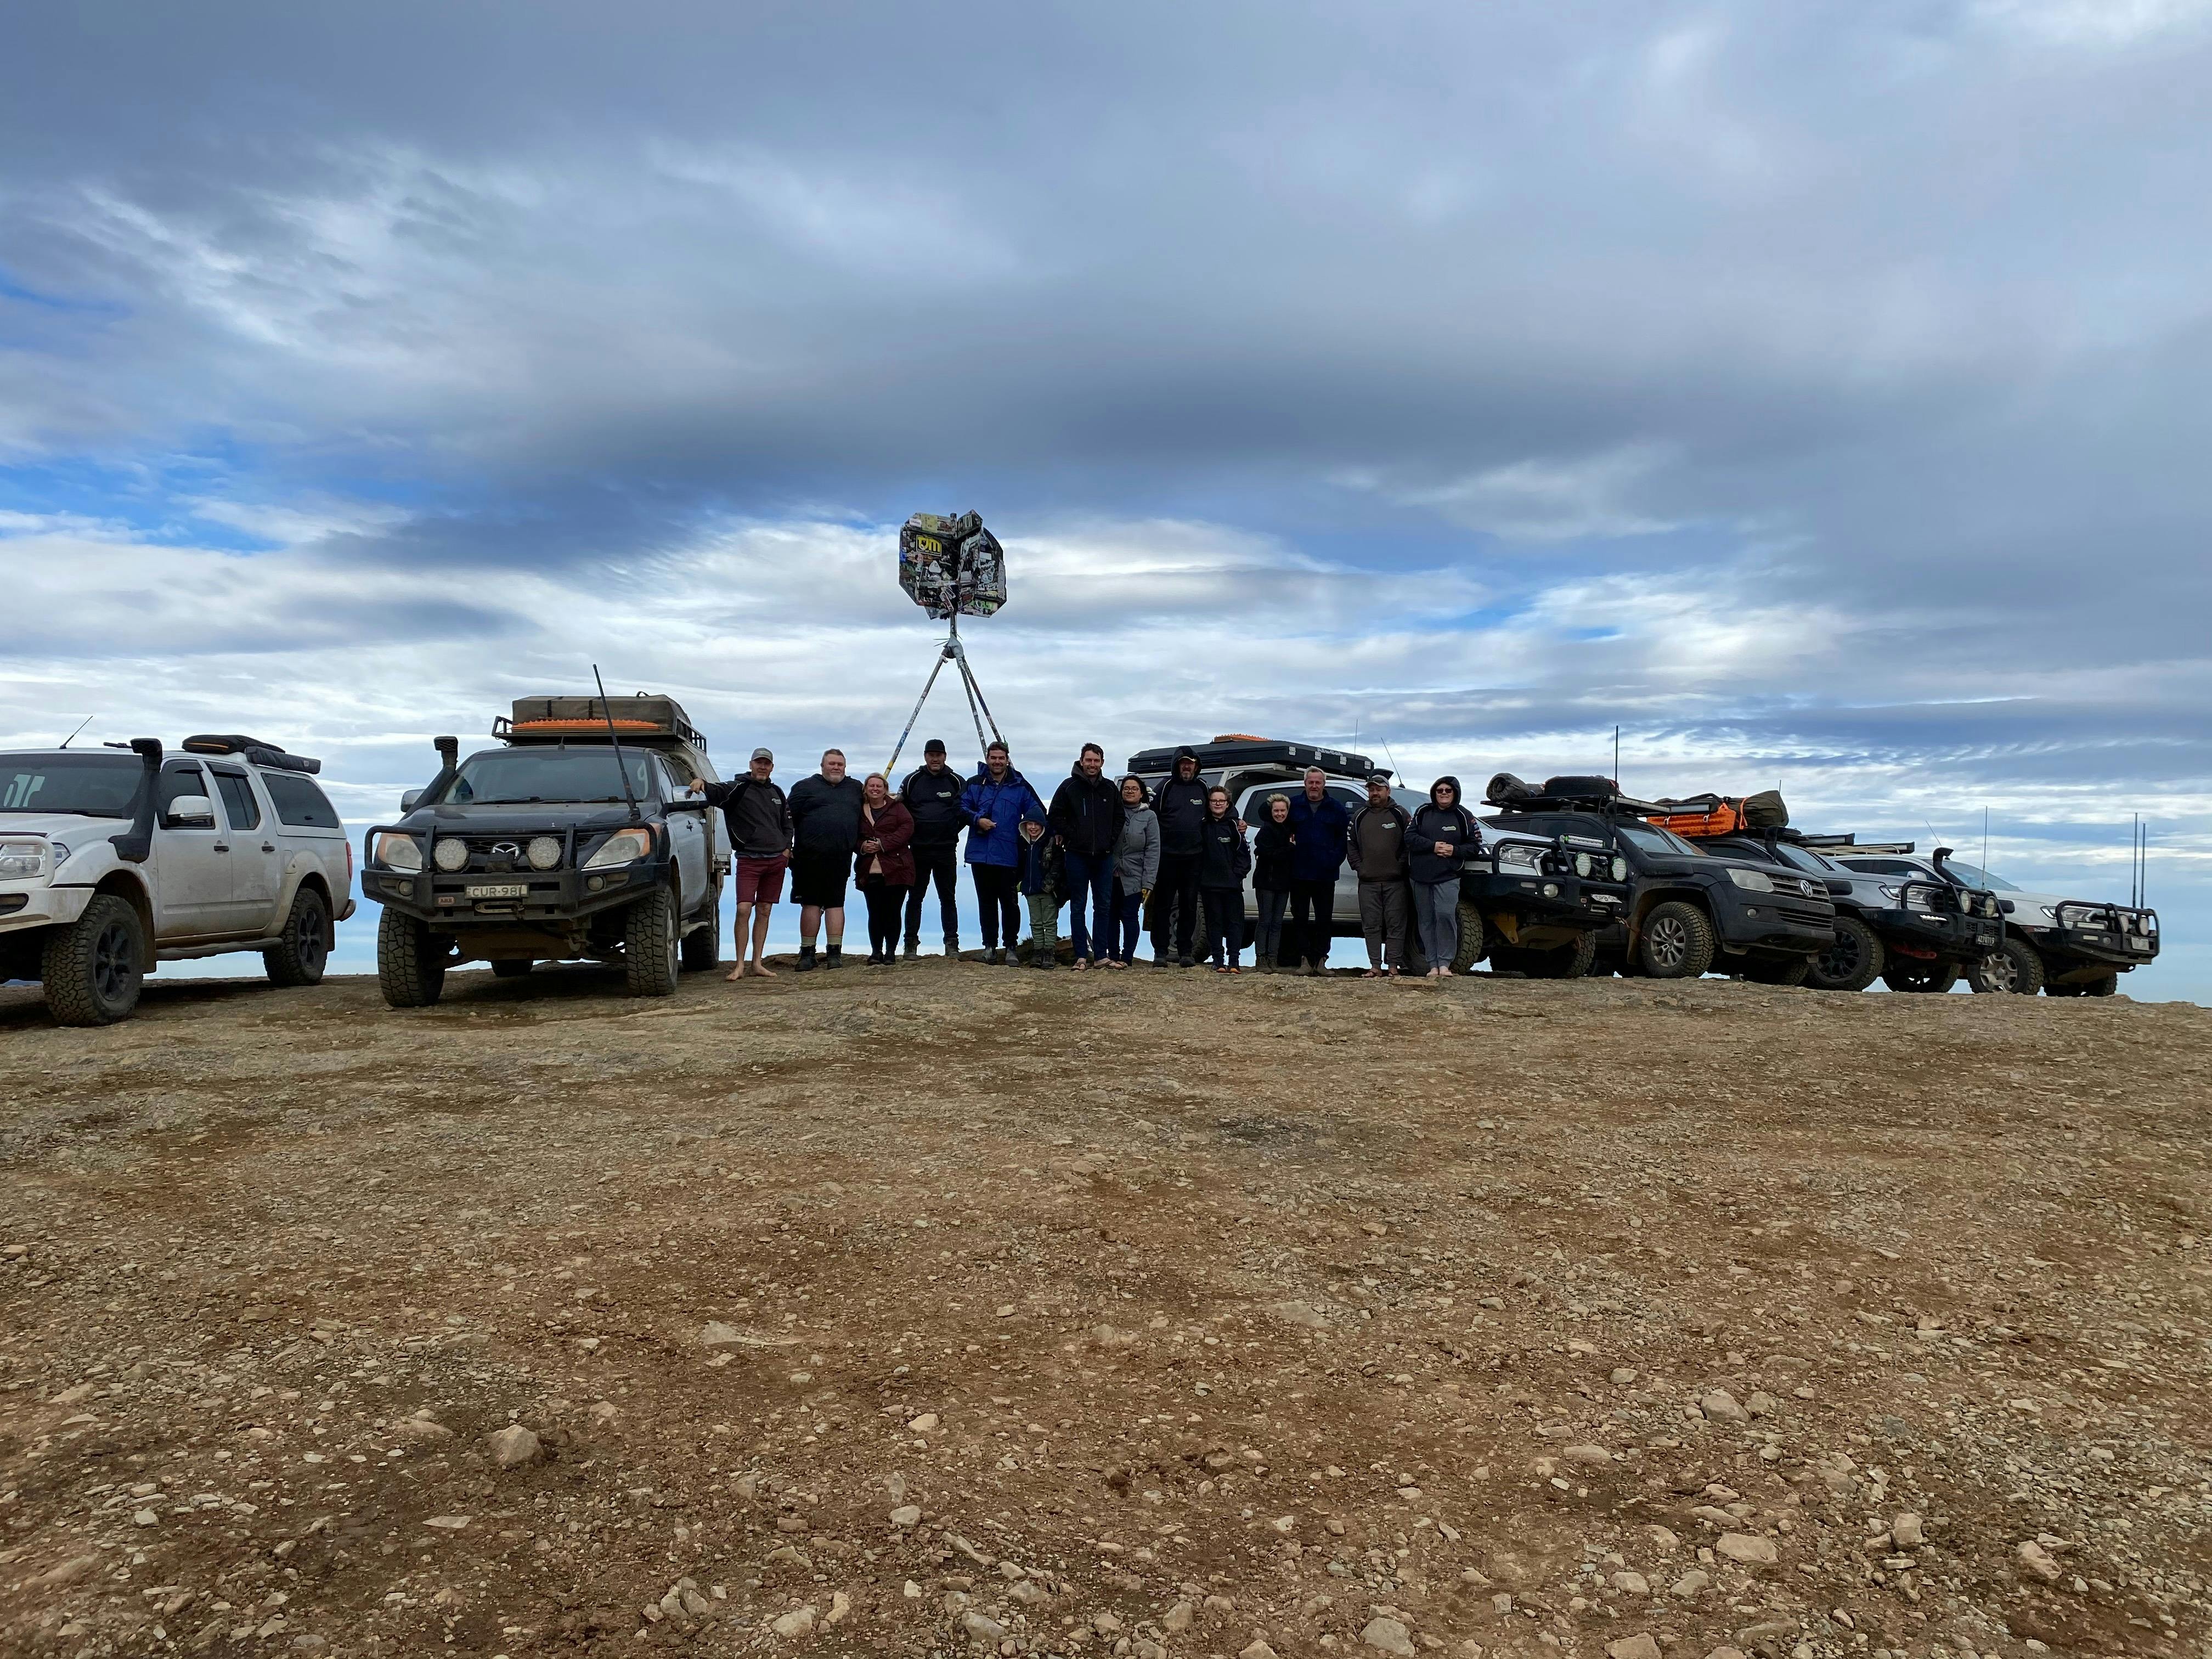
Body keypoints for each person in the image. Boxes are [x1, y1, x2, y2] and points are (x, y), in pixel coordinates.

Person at [687, 746, 791, 980]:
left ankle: (757, 963)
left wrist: (787, 849)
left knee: (765, 910)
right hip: (749, 859)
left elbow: (788, 823)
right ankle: (739, 966)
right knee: (744, 909)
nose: (762, 767)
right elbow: (715, 790)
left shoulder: (777, 792)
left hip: (776, 860)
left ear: (772, 767)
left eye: (767, 763)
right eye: (759, 763)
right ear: (751, 764)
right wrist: (699, 781)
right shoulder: (737, 788)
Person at [960, 741, 1046, 966]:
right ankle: (989, 947)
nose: (997, 762)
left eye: (1001, 758)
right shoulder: (975, 784)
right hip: (980, 853)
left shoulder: (1020, 786)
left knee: (1009, 903)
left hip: (1009, 854)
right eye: (993, 758)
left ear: (1007, 759)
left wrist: (1027, 834)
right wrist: (978, 819)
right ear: (987, 759)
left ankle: (1011, 947)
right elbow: (960, 809)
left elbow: (1038, 811)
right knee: (986, 902)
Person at [787, 748, 866, 971]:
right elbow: (786, 818)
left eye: (840, 764)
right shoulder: (805, 787)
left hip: (841, 856)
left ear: (845, 767)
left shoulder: (855, 788)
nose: (836, 768)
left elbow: (875, 804)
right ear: (822, 766)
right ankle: (807, 953)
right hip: (808, 857)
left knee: (835, 903)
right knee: (810, 903)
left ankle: (834, 953)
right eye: (832, 763)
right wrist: (785, 846)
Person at [1047, 742, 1125, 969]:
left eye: (1096, 761)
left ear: (1102, 763)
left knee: (1104, 906)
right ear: (1081, 761)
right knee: (1078, 905)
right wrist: (1072, 836)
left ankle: (1101, 956)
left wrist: (1109, 841)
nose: (1092, 764)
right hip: (1076, 855)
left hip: (1103, 856)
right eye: (1088, 760)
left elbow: (1119, 818)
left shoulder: (1110, 789)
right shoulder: (1068, 786)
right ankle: (1081, 956)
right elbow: (1055, 816)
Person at [899, 738, 965, 960]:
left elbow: (966, 810)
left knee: (948, 897)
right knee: (915, 896)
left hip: (946, 849)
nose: (935, 759)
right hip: (918, 849)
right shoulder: (912, 781)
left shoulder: (956, 781)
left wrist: (953, 829)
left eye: (939, 755)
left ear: (945, 756)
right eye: (931, 755)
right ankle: (910, 944)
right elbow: (899, 810)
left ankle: (952, 943)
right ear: (925, 756)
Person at [1409, 776, 1480, 978]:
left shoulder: (1463, 816)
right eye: (1439, 790)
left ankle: (1445, 964)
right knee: (1426, 919)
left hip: (1449, 875)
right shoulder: (1423, 812)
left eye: (1448, 790)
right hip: (1420, 876)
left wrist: (1454, 850)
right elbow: (1409, 837)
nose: (1443, 794)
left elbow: (1475, 845)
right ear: (1434, 793)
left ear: (1455, 792)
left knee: (1445, 915)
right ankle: (1432, 964)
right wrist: (1433, 846)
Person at [1148, 746, 1211, 968]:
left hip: (1194, 858)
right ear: (1177, 764)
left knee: (1190, 905)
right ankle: (1160, 952)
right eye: (1184, 763)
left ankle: (1186, 952)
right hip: (1167, 857)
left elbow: (1217, 812)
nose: (1187, 767)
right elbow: (1150, 818)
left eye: (1191, 763)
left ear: (1196, 766)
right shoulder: (1165, 787)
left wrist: (1237, 822)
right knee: (1163, 905)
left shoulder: (1203, 788)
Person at [1348, 771, 1414, 978]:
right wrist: (1360, 867)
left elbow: (1410, 843)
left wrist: (1400, 866)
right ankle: (1375, 966)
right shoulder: (1359, 816)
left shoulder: (1400, 814)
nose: (1375, 793)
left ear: (1388, 791)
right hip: (1368, 881)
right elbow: (1350, 845)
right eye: (1372, 789)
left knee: (1396, 925)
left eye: (1379, 789)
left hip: (1395, 881)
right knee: (1371, 926)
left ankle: (1393, 965)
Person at [1285, 768, 1350, 976]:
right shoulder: (1293, 804)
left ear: (1324, 784)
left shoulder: (1336, 808)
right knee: (1300, 917)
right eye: (1311, 782)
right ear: (1304, 784)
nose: (1314, 786)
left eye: (1318, 782)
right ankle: (1304, 959)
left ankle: (1321, 960)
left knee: (1324, 918)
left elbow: (1343, 840)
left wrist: (1333, 861)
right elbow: (1269, 815)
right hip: (1299, 872)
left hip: (1325, 874)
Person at [855, 772, 917, 966]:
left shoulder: (897, 808)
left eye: (879, 786)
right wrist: (862, 846)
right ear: (866, 789)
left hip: (898, 868)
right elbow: (852, 834)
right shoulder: (859, 811)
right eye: (871, 786)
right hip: (869, 869)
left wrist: (883, 844)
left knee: (893, 911)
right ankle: (876, 952)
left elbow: (908, 828)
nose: (875, 789)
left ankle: (890, 952)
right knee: (874, 912)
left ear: (885, 789)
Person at [1197, 786, 1252, 973]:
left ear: (1228, 804)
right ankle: (1218, 961)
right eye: (1214, 801)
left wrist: (1237, 875)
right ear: (1209, 803)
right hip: (1209, 884)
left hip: (1232, 886)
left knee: (1235, 923)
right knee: (1214, 923)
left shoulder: (1235, 827)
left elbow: (1244, 856)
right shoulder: (1202, 825)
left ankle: (1234, 962)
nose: (1218, 804)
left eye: (1222, 801)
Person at [1107, 775, 1159, 969]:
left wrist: (1149, 882)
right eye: (1126, 788)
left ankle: (1127, 957)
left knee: (1129, 916)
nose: (1129, 791)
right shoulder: (1113, 812)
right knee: (1111, 916)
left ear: (1142, 793)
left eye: (1134, 788)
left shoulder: (1149, 817)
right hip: (1110, 874)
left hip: (1136, 876)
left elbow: (1153, 850)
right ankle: (1111, 955)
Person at [1251, 792, 1295, 974]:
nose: (1279, 814)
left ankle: (1273, 959)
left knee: (1277, 923)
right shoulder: (1266, 830)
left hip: (1283, 883)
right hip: (1266, 882)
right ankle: (1261, 958)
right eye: (1276, 810)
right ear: (1271, 811)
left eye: (1282, 810)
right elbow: (1268, 854)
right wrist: (1290, 848)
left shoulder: (1290, 829)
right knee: (1265, 921)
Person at [1015, 815, 1063, 969]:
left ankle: (1049, 952)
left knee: (1049, 923)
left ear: (1043, 826)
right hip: (1030, 890)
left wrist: (1049, 885)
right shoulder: (1022, 843)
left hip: (1048, 891)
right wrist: (1021, 883)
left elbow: (1058, 865)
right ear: (1025, 826)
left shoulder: (1051, 842)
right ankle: (1037, 952)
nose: (1033, 827)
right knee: (1035, 923)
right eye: (1030, 824)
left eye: (1037, 824)